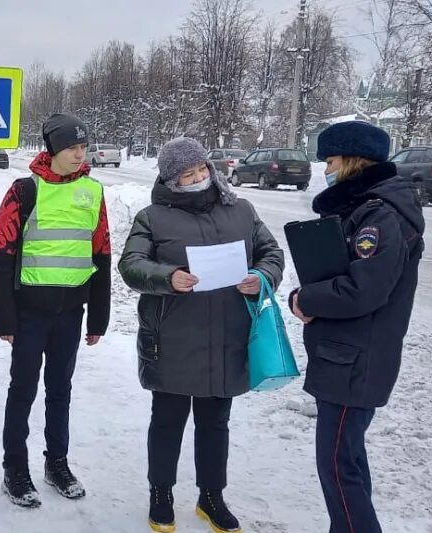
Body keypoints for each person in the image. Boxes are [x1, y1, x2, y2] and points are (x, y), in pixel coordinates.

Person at [118, 137, 284, 533]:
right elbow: (131, 264)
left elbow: (271, 253)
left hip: (226, 335)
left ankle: (212, 496)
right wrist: (167, 277)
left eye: (201, 170)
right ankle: (161, 493)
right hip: (173, 336)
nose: (197, 179)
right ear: (170, 180)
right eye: (186, 174)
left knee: (215, 423)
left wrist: (262, 277)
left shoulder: (241, 210)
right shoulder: (152, 217)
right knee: (167, 421)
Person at [289, 121, 425, 533]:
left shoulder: (379, 215)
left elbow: (362, 289)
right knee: (346, 461)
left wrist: (305, 299)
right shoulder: (364, 207)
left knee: (337, 466)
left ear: (351, 160)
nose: (325, 170)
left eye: (330, 161)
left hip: (356, 359)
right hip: (345, 354)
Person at [0, 113, 111, 508]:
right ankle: (14, 469)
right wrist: (3, 316)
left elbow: (102, 254)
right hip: (28, 313)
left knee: (60, 390)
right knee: (22, 391)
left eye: (83, 147)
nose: (79, 154)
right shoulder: (25, 191)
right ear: (53, 149)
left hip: (70, 313)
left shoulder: (92, 191)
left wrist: (98, 317)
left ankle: (57, 462)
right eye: (72, 147)